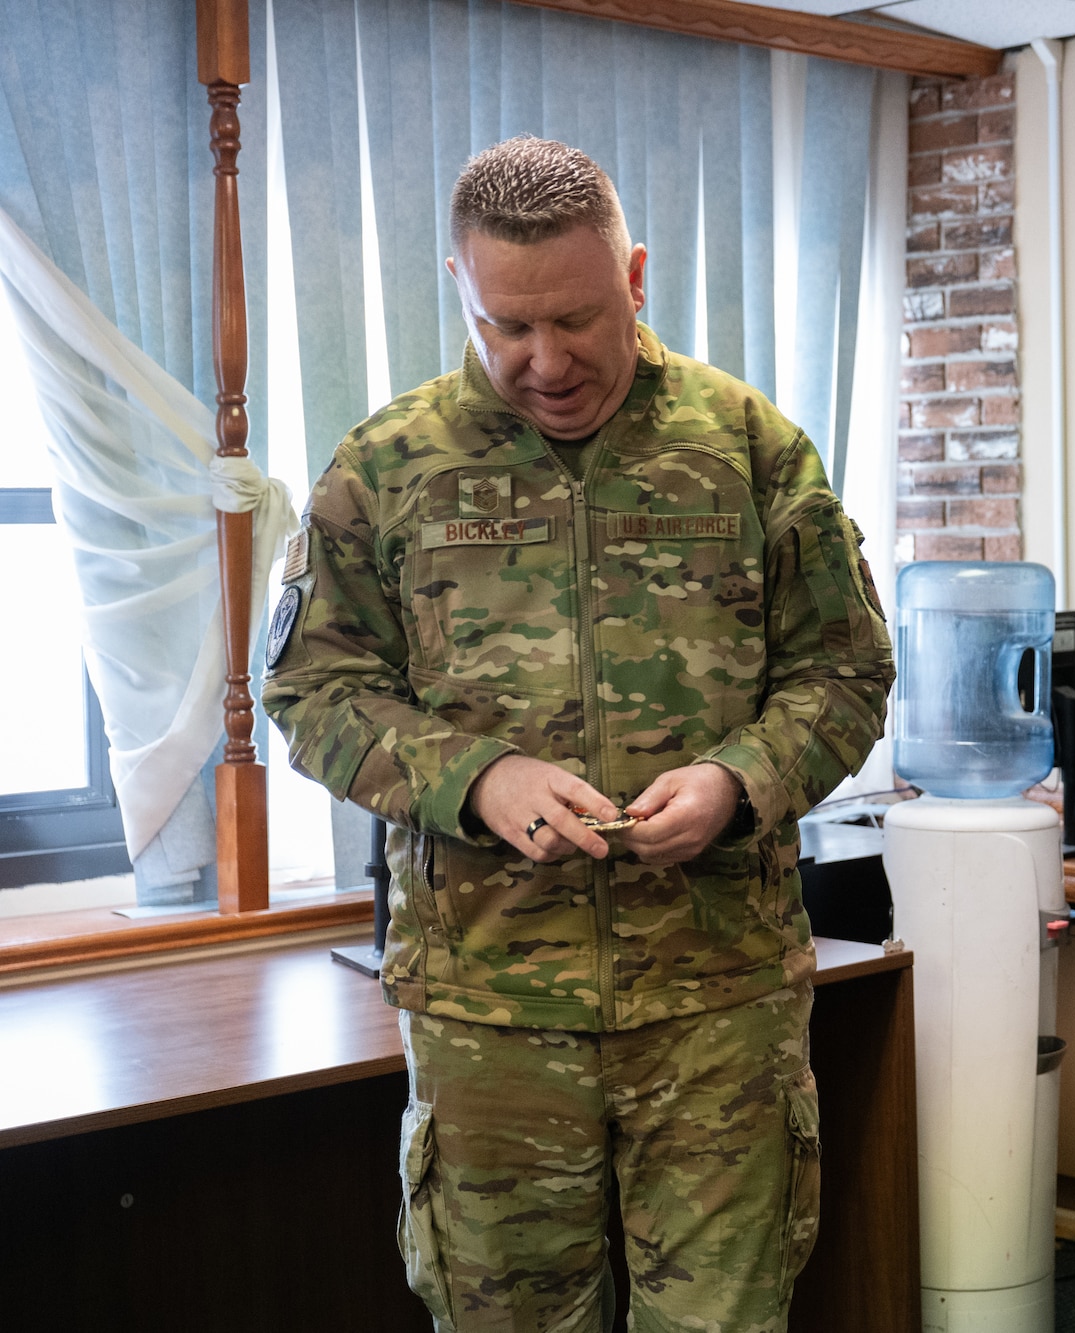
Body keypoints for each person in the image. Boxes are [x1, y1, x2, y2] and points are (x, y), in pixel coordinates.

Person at [264, 136, 892, 1332]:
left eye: (577, 319)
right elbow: (309, 687)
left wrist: (738, 778)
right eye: (508, 327)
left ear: (635, 276)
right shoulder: (388, 467)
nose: (545, 363)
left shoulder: (749, 449)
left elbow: (847, 670)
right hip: (488, 1010)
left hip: (717, 1000)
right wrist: (474, 776)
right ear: (459, 288)